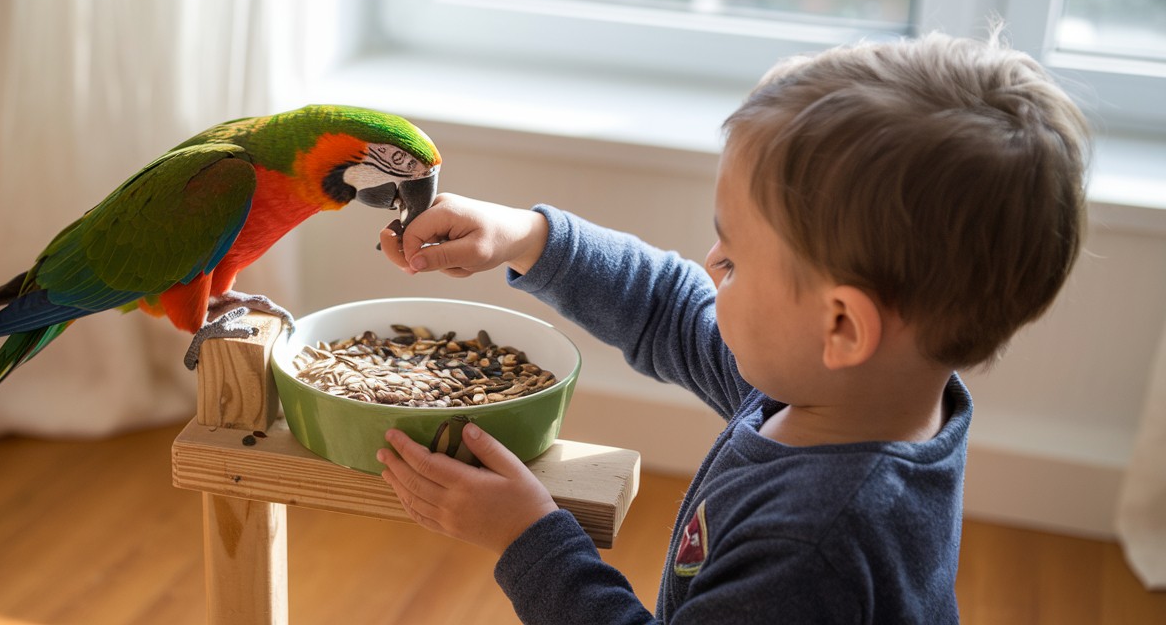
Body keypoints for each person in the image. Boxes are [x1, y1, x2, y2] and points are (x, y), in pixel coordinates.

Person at [374, 31, 1090, 623]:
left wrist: (528, 539)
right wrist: (528, 237)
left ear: (842, 325)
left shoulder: (810, 549)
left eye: (737, 259)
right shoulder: (849, 393)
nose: (711, 262)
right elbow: (669, 307)